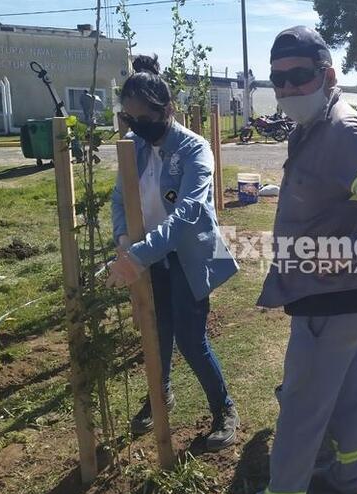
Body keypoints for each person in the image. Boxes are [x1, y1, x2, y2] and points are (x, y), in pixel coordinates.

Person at [253, 27, 357, 494]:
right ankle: (351, 474)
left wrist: (351, 248)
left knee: (302, 404)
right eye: (278, 79)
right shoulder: (314, 126)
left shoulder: (343, 131)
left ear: (327, 76)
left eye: (299, 76)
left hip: (330, 295)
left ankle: (283, 493)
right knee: (348, 394)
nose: (287, 88)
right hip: (338, 295)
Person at [107, 54, 240, 452]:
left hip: (187, 256)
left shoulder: (195, 149)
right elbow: (119, 199)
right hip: (148, 256)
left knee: (190, 338)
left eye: (144, 118)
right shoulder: (133, 147)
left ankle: (224, 409)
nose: (137, 126)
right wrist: (123, 242)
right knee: (156, 329)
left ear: (166, 109)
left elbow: (188, 213)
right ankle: (160, 395)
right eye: (130, 118)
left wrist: (137, 255)